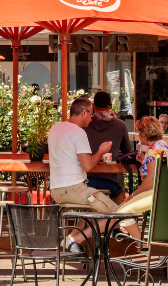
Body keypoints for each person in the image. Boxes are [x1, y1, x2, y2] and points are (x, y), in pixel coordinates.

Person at [48, 97, 141, 252]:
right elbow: (88, 165)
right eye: (91, 114)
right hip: (76, 190)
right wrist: (101, 152)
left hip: (56, 191)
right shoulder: (78, 133)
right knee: (120, 212)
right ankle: (74, 239)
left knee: (92, 214)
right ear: (83, 112)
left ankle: (72, 239)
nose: (91, 119)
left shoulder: (54, 128)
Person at [83, 91, 131, 204]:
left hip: (86, 181)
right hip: (112, 182)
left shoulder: (84, 125)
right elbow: (127, 151)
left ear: (93, 106)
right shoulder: (120, 125)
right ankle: (118, 219)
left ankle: (85, 219)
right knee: (120, 191)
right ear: (110, 107)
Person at [115, 116, 168, 216]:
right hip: (161, 192)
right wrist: (144, 161)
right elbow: (157, 169)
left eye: (139, 133)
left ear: (144, 134)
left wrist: (134, 194)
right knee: (121, 211)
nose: (139, 136)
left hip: (155, 194)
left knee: (122, 213)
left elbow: (152, 180)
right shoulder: (161, 145)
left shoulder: (152, 151)